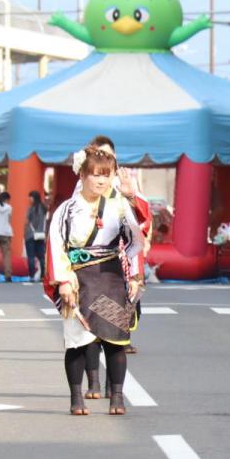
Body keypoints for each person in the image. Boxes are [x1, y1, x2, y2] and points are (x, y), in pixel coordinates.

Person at [47, 145, 145, 416]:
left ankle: (116, 395)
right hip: (78, 279)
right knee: (78, 341)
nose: (102, 180)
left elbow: (138, 236)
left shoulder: (119, 205)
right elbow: (56, 246)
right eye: (95, 174)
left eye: (107, 175)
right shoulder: (66, 210)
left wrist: (135, 275)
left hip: (110, 276)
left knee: (116, 341)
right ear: (82, 175)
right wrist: (63, 281)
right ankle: (76, 397)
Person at [25, 190, 48, 281]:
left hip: (31, 235)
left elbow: (27, 222)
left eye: (30, 197)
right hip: (41, 235)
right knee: (41, 257)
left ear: (33, 198)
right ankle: (42, 275)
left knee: (31, 256)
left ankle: (31, 276)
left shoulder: (31, 209)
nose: (29, 199)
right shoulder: (43, 208)